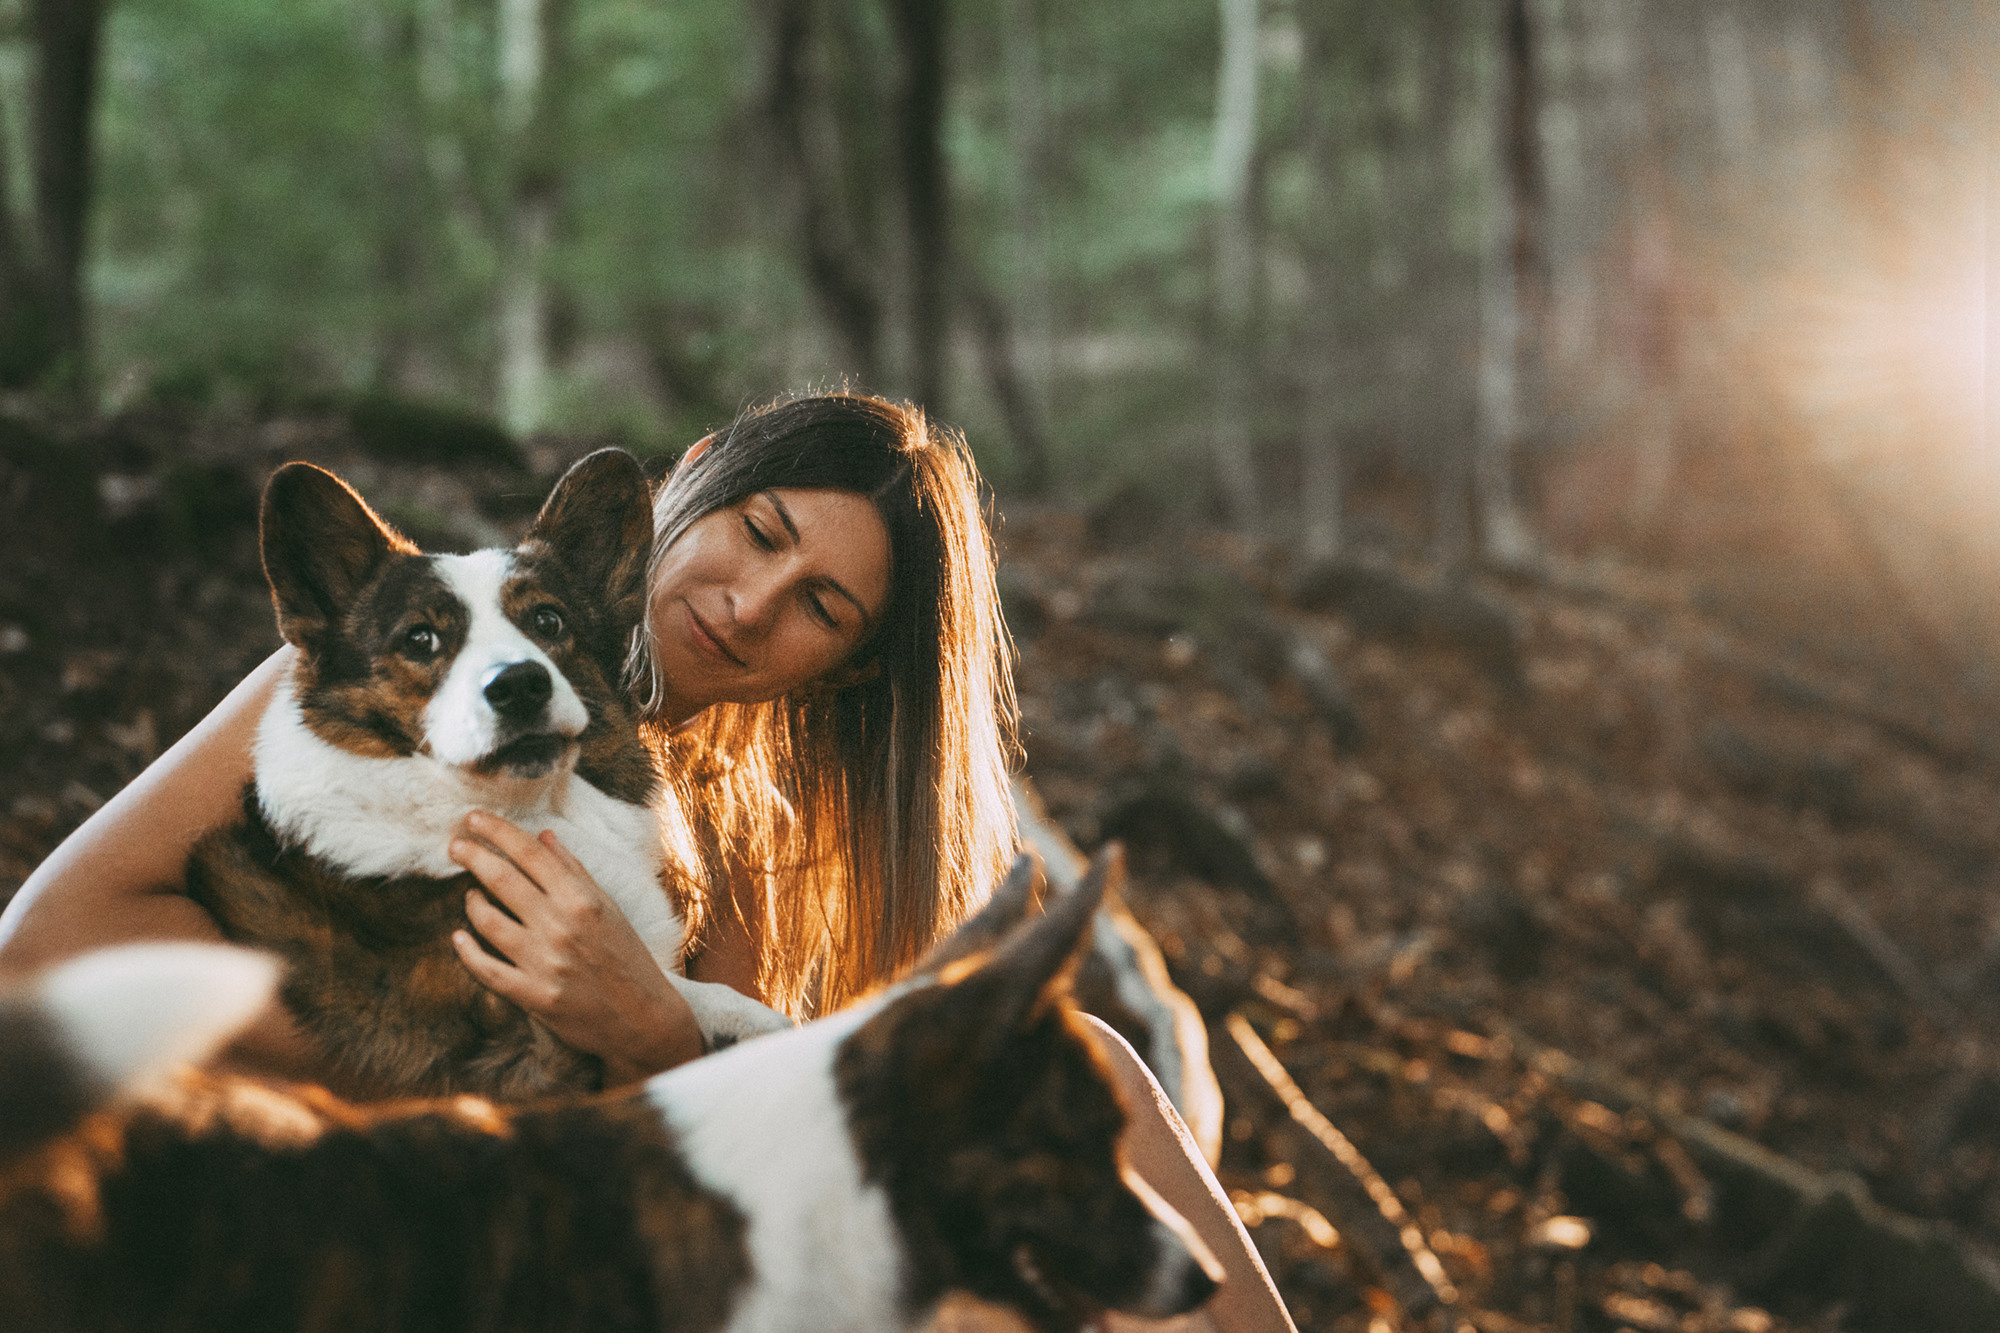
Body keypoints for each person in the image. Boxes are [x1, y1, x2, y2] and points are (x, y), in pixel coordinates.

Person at [0, 391, 1293, 1331]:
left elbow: (696, 1141)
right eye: (760, 528)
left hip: (619, 1226)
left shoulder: (768, 841)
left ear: (844, 672)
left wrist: (649, 1029)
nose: (748, 601)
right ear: (698, 477)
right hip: (364, 1195)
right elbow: (44, 946)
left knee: (1103, 1074)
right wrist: (468, 1026)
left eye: (822, 607)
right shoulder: (399, 663)